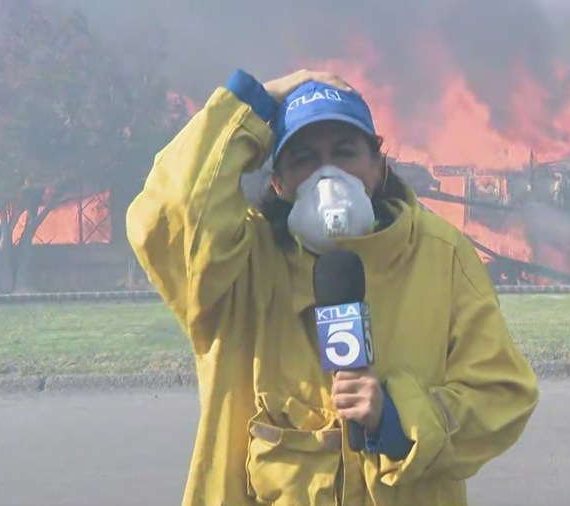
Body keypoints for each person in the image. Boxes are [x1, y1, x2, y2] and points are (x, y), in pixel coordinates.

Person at [126, 68, 540, 506]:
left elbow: (503, 395)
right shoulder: (236, 268)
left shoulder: (441, 256)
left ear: (378, 169)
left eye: (345, 153)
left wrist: (397, 417)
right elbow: (169, 214)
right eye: (304, 159)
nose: (328, 176)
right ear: (279, 183)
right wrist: (254, 101)